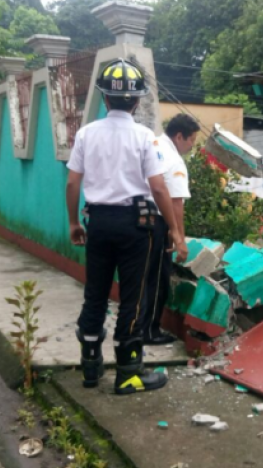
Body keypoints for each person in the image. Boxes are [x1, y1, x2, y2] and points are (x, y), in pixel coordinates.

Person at [65, 58, 188, 394]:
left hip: (99, 222)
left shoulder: (87, 134)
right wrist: (175, 231)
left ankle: (90, 368)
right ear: (136, 101)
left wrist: (75, 222)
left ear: (105, 98)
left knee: (95, 295)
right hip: (137, 227)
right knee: (132, 299)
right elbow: (159, 188)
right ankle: (129, 374)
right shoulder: (144, 136)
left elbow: (73, 184)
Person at [143, 113, 200, 345]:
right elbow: (176, 202)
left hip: (135, 219)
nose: (192, 146)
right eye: (191, 140)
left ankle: (138, 326)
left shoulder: (151, 145)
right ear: (179, 136)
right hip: (156, 223)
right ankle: (149, 331)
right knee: (158, 280)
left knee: (141, 278)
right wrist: (180, 239)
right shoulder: (174, 161)